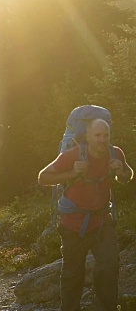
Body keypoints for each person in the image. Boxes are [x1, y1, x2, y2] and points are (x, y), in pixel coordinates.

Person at [38, 118, 133, 311]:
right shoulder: (73, 156)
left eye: (105, 135)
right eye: (97, 135)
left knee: (109, 267)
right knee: (73, 275)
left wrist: (121, 170)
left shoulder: (115, 153)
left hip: (102, 223)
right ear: (87, 137)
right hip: (73, 226)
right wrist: (71, 174)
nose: (102, 139)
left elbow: (127, 176)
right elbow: (43, 177)